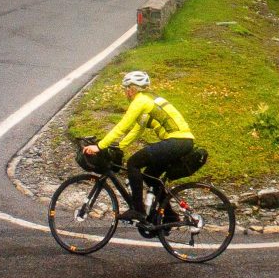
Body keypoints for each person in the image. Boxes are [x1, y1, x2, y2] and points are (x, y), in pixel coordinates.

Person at [83, 70, 195, 222]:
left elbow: (122, 126)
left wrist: (100, 146)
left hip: (177, 141)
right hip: (181, 142)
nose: (125, 92)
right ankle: (170, 216)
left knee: (133, 163)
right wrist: (119, 146)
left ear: (132, 88)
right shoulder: (148, 100)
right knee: (151, 177)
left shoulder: (140, 101)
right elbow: (137, 130)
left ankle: (137, 210)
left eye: (126, 88)